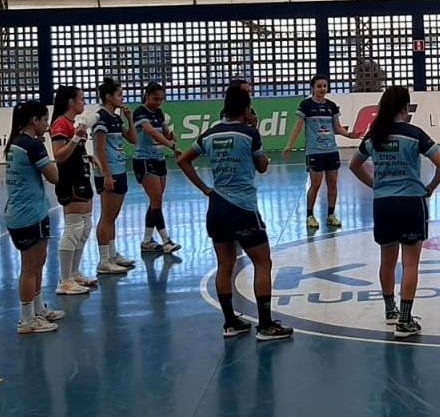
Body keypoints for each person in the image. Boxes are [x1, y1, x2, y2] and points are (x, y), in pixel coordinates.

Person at [177, 85, 293, 341]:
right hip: (242, 208)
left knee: (224, 265)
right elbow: (262, 167)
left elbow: (183, 160)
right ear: (245, 108)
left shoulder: (209, 134)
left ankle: (230, 322)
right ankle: (265, 325)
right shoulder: (249, 133)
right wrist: (256, 129)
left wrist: (206, 189)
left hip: (216, 206)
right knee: (263, 262)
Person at [349, 86, 440, 339]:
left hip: (383, 204)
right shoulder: (415, 134)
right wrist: (430, 188)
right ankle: (405, 320)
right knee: (411, 263)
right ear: (406, 107)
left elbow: (354, 165)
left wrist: (375, 184)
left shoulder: (374, 136)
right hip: (410, 202)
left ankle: (390, 309)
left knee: (387, 261)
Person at [5, 101, 65, 334]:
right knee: (30, 267)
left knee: (38, 263)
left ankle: (38, 309)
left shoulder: (16, 143)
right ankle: (26, 319)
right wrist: (47, 153)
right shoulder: (32, 146)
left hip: (25, 212)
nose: (47, 125)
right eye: (45, 120)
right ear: (34, 120)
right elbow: (54, 176)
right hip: (28, 215)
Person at [284, 75, 353, 229]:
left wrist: (349, 135)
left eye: (324, 86)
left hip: (331, 151)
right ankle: (309, 216)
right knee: (315, 184)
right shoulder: (306, 105)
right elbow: (297, 128)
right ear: (313, 88)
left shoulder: (332, 106)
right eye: (319, 86)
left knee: (333, 184)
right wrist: (289, 145)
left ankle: (331, 215)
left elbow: (337, 128)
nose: (322, 89)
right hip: (314, 151)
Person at [49, 86, 97, 295]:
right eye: (81, 98)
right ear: (70, 101)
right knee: (74, 227)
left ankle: (75, 272)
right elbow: (59, 155)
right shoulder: (61, 123)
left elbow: (76, 151)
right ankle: (65, 280)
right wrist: (76, 137)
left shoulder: (75, 124)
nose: (83, 102)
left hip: (83, 176)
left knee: (85, 227)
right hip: (70, 180)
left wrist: (88, 157)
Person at [91, 78, 137, 275]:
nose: (122, 97)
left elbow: (133, 139)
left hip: (120, 170)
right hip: (109, 174)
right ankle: (104, 261)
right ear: (108, 97)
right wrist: (106, 174)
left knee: (113, 217)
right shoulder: (101, 119)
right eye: (119, 94)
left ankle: (112, 254)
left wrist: (130, 119)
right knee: (107, 217)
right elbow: (99, 150)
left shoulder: (116, 118)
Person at [133, 82, 182, 254]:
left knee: (156, 202)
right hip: (145, 160)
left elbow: (164, 130)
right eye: (155, 98)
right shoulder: (140, 112)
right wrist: (171, 145)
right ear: (147, 95)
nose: (158, 102)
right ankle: (166, 240)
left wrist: (170, 134)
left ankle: (147, 241)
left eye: (161, 99)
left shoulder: (159, 113)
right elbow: (151, 132)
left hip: (159, 160)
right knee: (157, 202)